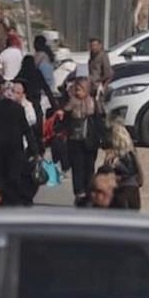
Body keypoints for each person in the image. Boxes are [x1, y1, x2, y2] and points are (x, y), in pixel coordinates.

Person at [62, 78, 100, 206]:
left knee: (89, 167)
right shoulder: (70, 104)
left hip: (90, 141)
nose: (78, 93)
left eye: (81, 90)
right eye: (76, 90)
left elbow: (99, 122)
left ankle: (89, 192)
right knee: (77, 167)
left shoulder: (93, 103)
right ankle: (79, 192)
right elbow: (64, 122)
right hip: (74, 141)